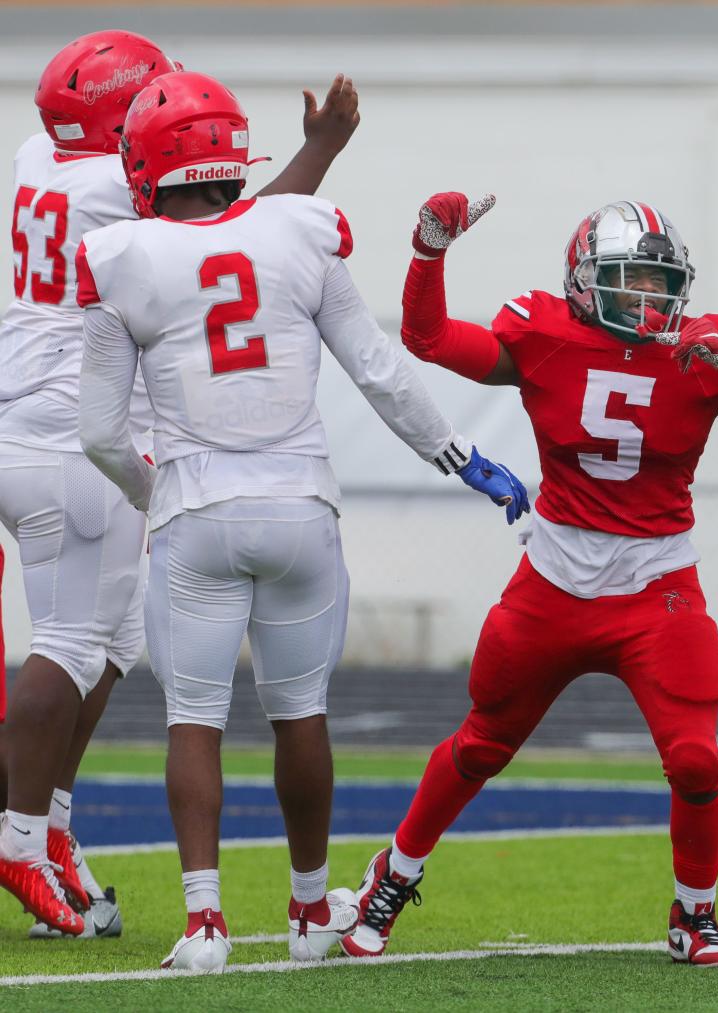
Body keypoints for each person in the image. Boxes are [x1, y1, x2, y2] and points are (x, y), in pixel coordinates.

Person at [76, 73, 528, 973]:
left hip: (197, 510)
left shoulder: (121, 255)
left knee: (193, 721)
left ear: (148, 164)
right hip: (298, 507)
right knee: (302, 715)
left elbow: (98, 430)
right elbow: (380, 371)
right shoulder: (300, 231)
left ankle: (204, 924)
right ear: (228, 153)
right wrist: (460, 458)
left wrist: (151, 490)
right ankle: (312, 906)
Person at [341, 193, 718, 966]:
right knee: (482, 745)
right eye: (631, 278)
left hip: (656, 582)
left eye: (661, 282)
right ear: (582, 279)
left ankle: (694, 914)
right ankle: (392, 874)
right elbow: (427, 338)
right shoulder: (544, 332)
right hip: (558, 577)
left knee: (697, 759)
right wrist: (429, 250)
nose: (650, 297)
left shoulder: (709, 348)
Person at [0, 30, 360, 940]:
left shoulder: (39, 154)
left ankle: (52, 828)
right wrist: (319, 152)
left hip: (29, 423)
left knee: (115, 635)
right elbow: (226, 235)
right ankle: (17, 834)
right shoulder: (107, 189)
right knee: (76, 639)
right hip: (70, 439)